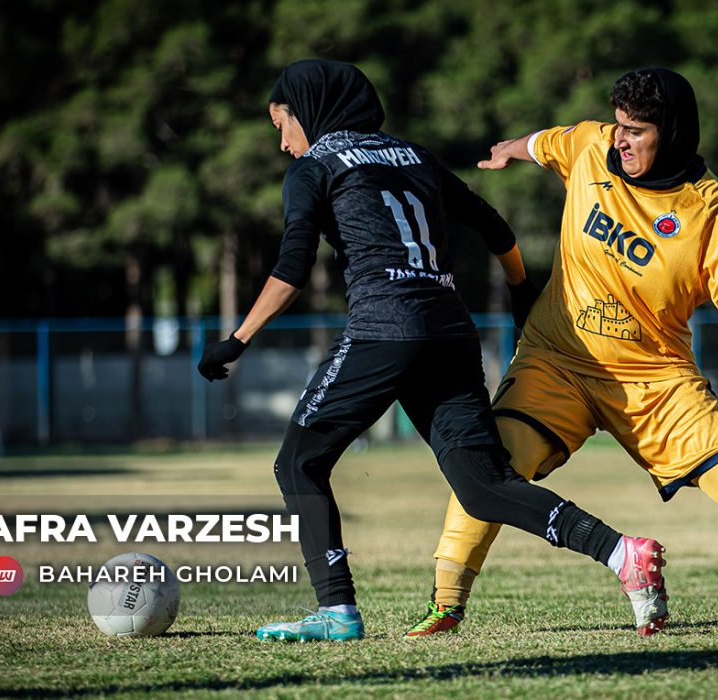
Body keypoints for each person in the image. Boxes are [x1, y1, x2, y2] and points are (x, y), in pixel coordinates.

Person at [406, 68, 718, 638]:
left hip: (654, 377)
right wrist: (510, 149)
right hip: (557, 360)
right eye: (618, 126)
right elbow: (548, 142)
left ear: (671, 133)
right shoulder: (592, 146)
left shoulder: (708, 207)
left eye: (637, 131)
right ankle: (445, 607)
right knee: (489, 466)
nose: (620, 140)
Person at [196, 59, 668, 642]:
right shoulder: (413, 155)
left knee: (298, 462)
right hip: (449, 333)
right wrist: (523, 292)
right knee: (483, 485)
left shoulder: (315, 167)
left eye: (281, 123)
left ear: (308, 112)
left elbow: (292, 270)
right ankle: (622, 553)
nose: (283, 141)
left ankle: (336, 611)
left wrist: (236, 340)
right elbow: (495, 229)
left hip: (382, 332)